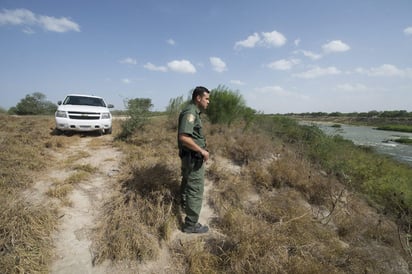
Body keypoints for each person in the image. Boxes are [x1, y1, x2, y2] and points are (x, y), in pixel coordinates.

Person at [177, 86, 210, 233]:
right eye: (206, 98)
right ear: (198, 98)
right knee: (195, 189)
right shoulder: (190, 112)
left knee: (187, 181)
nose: (208, 102)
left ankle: (184, 205)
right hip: (193, 158)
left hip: (190, 157)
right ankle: (190, 224)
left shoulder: (193, 111)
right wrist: (202, 150)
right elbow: (184, 137)